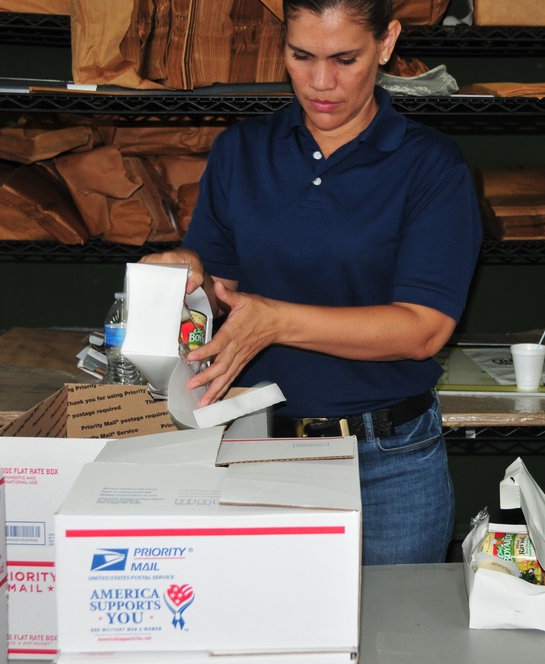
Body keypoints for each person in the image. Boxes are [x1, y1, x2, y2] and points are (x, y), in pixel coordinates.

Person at [143, 0, 483, 566]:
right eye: (301, 57)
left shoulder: (431, 166)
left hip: (387, 461)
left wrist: (278, 321)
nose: (321, 83)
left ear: (387, 42)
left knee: (393, 642)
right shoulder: (241, 151)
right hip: (255, 447)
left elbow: (423, 330)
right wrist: (187, 271)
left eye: (345, 59)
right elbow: (220, 282)